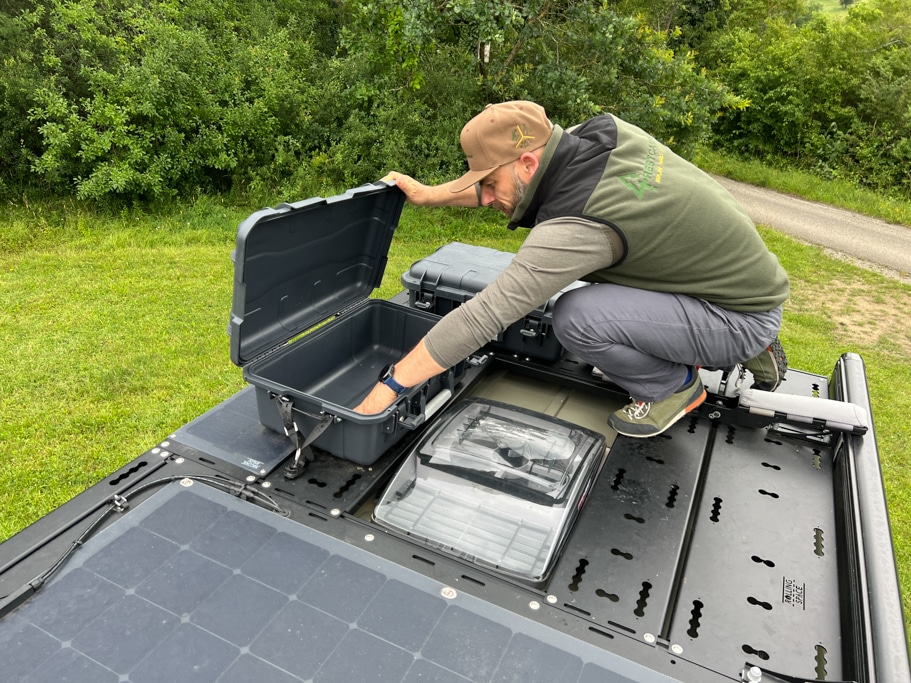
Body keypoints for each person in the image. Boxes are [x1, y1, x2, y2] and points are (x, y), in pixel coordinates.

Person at [354, 100, 789, 438]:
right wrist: (431, 195)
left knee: (577, 319)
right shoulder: (601, 137)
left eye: (489, 183)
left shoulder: (581, 222)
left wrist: (389, 388)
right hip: (738, 283)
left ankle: (672, 386)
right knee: (602, 300)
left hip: (737, 315)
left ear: (527, 163)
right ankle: (745, 340)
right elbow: (513, 189)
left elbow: (485, 314)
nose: (486, 198)